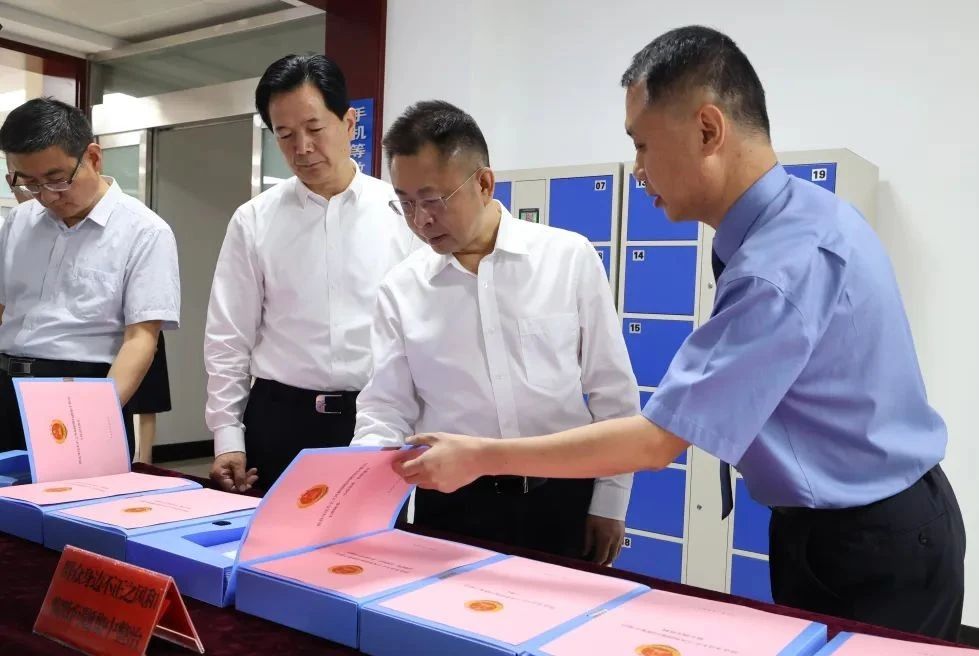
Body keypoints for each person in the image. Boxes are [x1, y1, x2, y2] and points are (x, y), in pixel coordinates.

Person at [394, 26, 965, 640]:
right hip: (845, 524)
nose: (638, 170)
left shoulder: (780, 265)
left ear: (708, 130)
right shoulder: (800, 218)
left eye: (642, 145)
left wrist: (481, 455)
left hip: (870, 541)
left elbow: (655, 441)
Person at [352, 101, 636, 565]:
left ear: (484, 183)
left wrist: (610, 501)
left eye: (432, 200)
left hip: (561, 496)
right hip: (454, 504)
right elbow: (385, 409)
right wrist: (357, 492)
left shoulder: (568, 259)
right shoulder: (401, 289)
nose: (420, 220)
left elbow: (613, 393)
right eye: (404, 203)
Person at [206, 54, 417, 493]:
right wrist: (227, 436)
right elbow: (228, 337)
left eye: (315, 129)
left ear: (349, 122)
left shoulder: (402, 214)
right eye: (285, 134)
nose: (301, 147)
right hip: (279, 420)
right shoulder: (254, 220)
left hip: (378, 418)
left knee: (374, 537)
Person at [0, 98, 181, 456]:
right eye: (29, 183)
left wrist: (94, 418)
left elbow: (140, 340)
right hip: (6, 387)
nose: (46, 196)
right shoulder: (18, 221)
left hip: (79, 393)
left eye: (57, 180)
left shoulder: (144, 232)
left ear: (94, 158)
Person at [129, 332, 171, 464]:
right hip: (116, 337)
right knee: (117, 402)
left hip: (148, 333)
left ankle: (146, 462)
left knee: (148, 403)